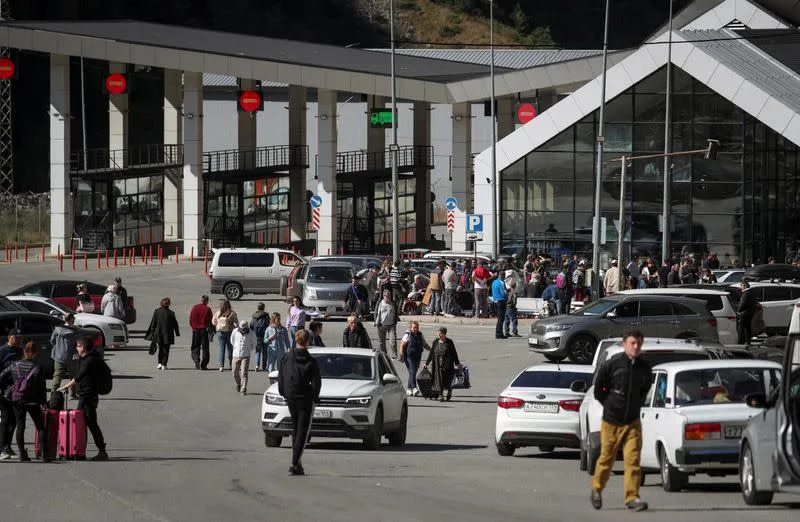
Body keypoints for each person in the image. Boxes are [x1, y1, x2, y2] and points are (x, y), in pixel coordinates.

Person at [590, 331, 651, 512]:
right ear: (625, 344)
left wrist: (635, 406)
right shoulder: (612, 365)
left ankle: (632, 498)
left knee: (633, 459)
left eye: (639, 343)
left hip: (632, 422)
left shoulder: (644, 367)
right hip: (611, 421)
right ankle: (596, 489)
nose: (636, 347)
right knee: (606, 459)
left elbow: (644, 390)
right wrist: (611, 405)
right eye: (632, 343)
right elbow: (599, 391)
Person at [277, 329, 321, 476]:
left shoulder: (287, 357)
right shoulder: (310, 360)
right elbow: (316, 382)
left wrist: (283, 391)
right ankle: (295, 463)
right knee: (302, 430)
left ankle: (298, 463)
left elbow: (281, 375)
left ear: (296, 340)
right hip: (305, 397)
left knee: (296, 428)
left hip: (290, 395)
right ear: (308, 341)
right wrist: (315, 397)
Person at [58, 337, 108, 461]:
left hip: (88, 397)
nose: (76, 348)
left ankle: (101, 451)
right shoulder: (89, 358)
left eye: (78, 346)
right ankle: (80, 451)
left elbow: (79, 376)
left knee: (90, 424)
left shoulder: (89, 360)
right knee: (83, 423)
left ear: (83, 347)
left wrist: (65, 386)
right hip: (86, 396)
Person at [0, 342, 47, 462]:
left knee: (20, 426)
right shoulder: (37, 368)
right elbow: (42, 387)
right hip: (33, 401)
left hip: (18, 399)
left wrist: (9, 387)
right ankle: (45, 455)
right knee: (40, 426)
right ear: (35, 354)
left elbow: (2, 375)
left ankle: (22, 454)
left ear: (24, 352)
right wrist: (43, 402)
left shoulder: (15, 365)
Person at [423, 327, 463, 402]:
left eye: (440, 333)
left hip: (447, 365)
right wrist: (426, 363)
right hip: (437, 364)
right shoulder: (435, 342)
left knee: (447, 380)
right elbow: (431, 353)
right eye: (438, 333)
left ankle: (449, 390)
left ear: (444, 334)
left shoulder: (449, 342)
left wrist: (457, 363)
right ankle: (441, 394)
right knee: (438, 379)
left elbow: (454, 353)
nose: (438, 334)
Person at [0, 332, 21, 459]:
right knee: (6, 418)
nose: (18, 339)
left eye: (19, 337)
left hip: (17, 390)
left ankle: (7, 446)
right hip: (4, 389)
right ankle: (2, 448)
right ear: (9, 338)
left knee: (14, 420)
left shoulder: (19, 351)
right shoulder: (2, 351)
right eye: (15, 337)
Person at [146, 297, 180, 370]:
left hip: (158, 334)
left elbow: (153, 323)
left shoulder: (157, 311)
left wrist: (152, 332)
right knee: (166, 350)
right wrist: (177, 333)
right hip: (168, 335)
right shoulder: (171, 313)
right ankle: (164, 364)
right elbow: (175, 324)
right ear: (169, 304)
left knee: (161, 349)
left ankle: (159, 363)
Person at [399, 321, 430, 396]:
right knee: (412, 370)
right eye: (414, 327)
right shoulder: (407, 335)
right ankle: (414, 388)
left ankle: (409, 389)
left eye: (417, 327)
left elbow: (424, 344)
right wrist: (402, 355)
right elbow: (402, 345)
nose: (416, 329)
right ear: (410, 328)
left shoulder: (420, 334)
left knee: (412, 372)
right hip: (409, 356)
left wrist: (431, 350)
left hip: (418, 356)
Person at [50, 313, 79, 392]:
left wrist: (58, 347)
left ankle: (54, 392)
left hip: (59, 356)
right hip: (72, 356)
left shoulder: (57, 329)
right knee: (73, 375)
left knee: (57, 375)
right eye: (74, 318)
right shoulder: (75, 331)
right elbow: (78, 343)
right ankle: (73, 393)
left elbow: (52, 341)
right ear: (71, 319)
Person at [231, 320, 256, 396]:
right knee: (234, 372)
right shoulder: (235, 331)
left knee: (244, 373)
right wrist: (235, 347)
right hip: (236, 354)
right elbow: (232, 340)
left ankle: (243, 389)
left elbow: (254, 343)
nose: (243, 330)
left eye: (245, 329)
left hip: (246, 355)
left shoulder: (251, 333)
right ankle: (239, 383)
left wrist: (249, 349)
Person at [212, 300, 238, 371]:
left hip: (220, 332)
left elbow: (213, 322)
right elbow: (236, 323)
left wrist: (218, 324)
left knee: (221, 349)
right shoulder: (232, 313)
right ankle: (231, 365)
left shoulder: (218, 313)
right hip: (229, 332)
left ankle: (221, 366)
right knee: (230, 349)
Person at [188, 295, 213, 370]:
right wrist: (211, 329)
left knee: (195, 346)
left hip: (195, 329)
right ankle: (204, 364)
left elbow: (191, 318)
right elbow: (210, 320)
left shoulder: (195, 307)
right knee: (205, 347)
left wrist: (193, 326)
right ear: (206, 301)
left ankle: (196, 360)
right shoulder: (207, 309)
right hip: (204, 329)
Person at [374, 289, 398, 357]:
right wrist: (376, 321)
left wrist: (395, 321)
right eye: (386, 296)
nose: (388, 297)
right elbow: (376, 313)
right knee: (381, 342)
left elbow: (396, 312)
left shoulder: (393, 303)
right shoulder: (380, 303)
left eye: (389, 296)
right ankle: (384, 354)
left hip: (391, 325)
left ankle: (394, 353)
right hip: (381, 325)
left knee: (392, 341)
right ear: (383, 296)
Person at [250, 303, 270, 372]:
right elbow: (268, 324)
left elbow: (251, 325)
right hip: (265, 335)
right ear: (264, 307)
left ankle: (257, 365)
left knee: (258, 351)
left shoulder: (254, 315)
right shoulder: (266, 315)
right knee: (265, 351)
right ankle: (264, 366)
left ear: (257, 307)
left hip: (257, 335)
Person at [491, 271, 508, 339]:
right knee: (501, 319)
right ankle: (499, 333)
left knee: (499, 318)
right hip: (501, 301)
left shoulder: (494, 282)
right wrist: (506, 297)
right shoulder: (501, 282)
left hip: (495, 301)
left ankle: (499, 333)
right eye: (504, 276)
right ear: (502, 275)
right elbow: (503, 292)